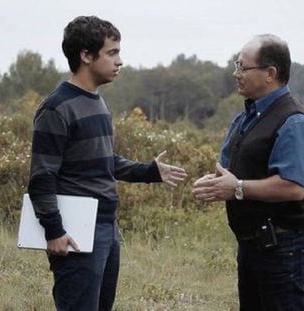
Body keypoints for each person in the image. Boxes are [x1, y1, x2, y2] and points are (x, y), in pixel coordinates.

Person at [27, 15, 187, 311]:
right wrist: (54, 231)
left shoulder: (96, 101)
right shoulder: (56, 107)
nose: (120, 61)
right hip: (76, 230)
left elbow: (103, 160)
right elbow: (42, 176)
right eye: (112, 53)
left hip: (106, 226)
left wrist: (148, 171)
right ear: (85, 55)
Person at [192, 34, 304, 311]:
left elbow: (293, 187)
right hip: (254, 243)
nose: (236, 73)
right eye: (236, 65)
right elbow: (236, 170)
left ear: (270, 74)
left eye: (243, 67)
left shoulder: (293, 122)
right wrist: (218, 183)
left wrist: (237, 187)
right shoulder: (247, 117)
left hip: (283, 244)